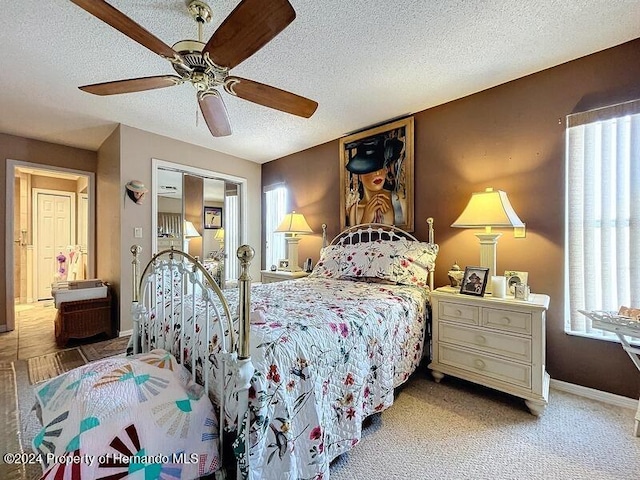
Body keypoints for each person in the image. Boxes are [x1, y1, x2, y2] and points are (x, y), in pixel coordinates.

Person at [345, 135, 404, 225]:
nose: (377, 173)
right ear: (360, 175)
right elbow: (357, 237)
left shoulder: (398, 200)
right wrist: (366, 218)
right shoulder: (354, 210)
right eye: (370, 169)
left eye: (381, 167)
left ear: (387, 169)